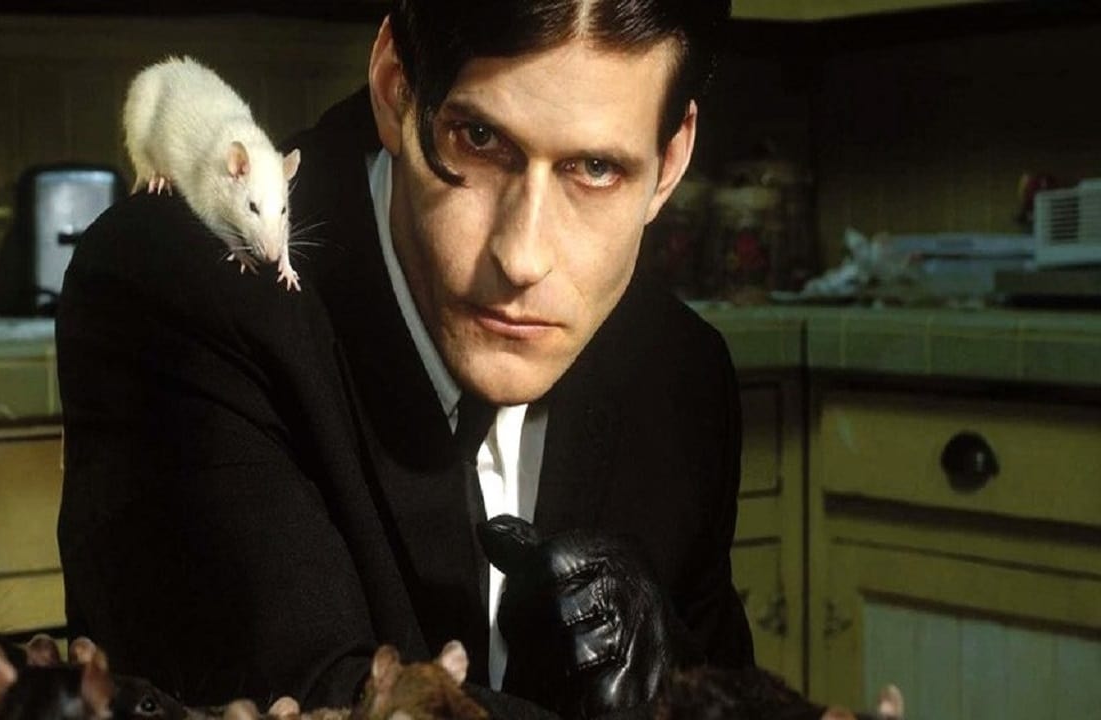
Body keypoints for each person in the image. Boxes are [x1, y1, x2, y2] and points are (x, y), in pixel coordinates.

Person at [54, 1, 751, 718]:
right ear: (394, 88)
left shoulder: (683, 373)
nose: (522, 258)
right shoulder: (175, 287)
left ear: (670, 162)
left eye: (597, 168)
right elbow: (316, 696)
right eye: (479, 139)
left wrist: (680, 674)